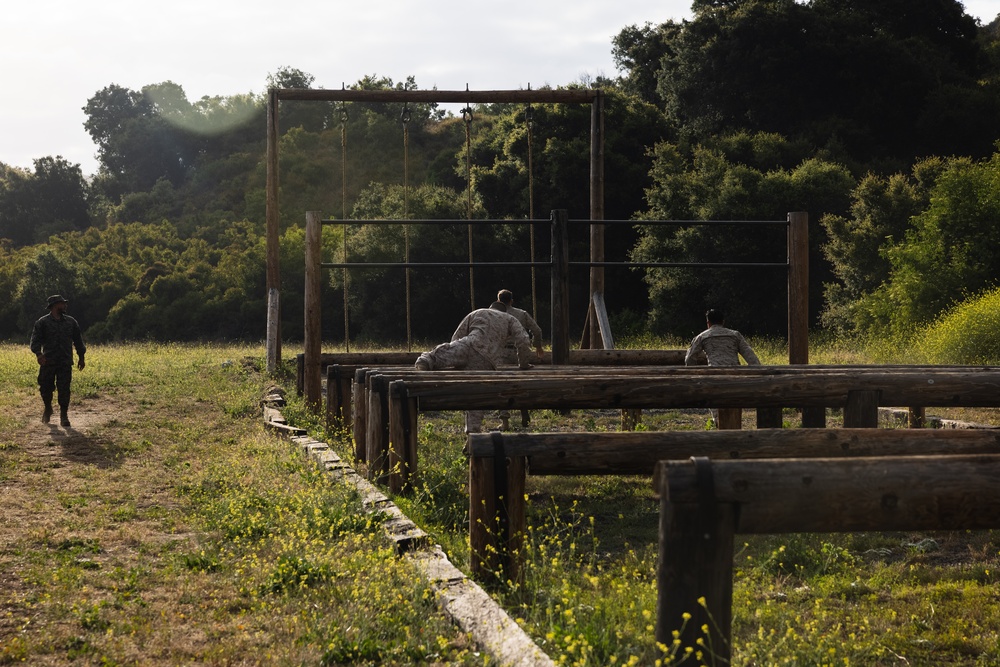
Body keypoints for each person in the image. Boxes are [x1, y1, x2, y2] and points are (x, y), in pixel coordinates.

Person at [415, 300, 533, 433]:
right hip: (486, 359)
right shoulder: (510, 319)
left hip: (467, 345)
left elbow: (457, 336)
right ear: (504, 310)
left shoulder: (477, 312)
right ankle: (473, 432)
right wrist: (523, 364)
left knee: (439, 354)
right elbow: (523, 340)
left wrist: (456, 362)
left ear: (491, 307)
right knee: (476, 396)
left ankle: (425, 362)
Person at [684, 308, 759, 427]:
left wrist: (695, 376)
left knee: (715, 402)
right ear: (723, 321)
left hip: (714, 375)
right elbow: (751, 357)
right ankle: (734, 425)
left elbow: (689, 359)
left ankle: (717, 422)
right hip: (735, 375)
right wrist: (757, 376)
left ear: (708, 323)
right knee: (734, 403)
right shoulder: (735, 335)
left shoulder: (702, 336)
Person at [30, 295, 86, 427]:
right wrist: (39, 354)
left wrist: (81, 357)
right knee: (45, 388)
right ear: (55, 306)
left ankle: (64, 416)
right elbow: (35, 340)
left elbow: (78, 341)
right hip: (48, 362)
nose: (65, 305)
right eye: (62, 303)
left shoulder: (71, 322)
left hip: (65, 362)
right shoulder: (42, 322)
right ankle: (48, 407)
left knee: (64, 389)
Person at [496, 289, 543, 428]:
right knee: (520, 383)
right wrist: (538, 346)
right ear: (511, 300)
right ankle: (524, 411)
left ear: (498, 301)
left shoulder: (493, 314)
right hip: (520, 351)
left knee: (502, 385)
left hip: (501, 354)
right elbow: (537, 330)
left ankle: (504, 421)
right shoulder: (521, 314)